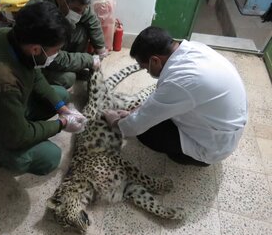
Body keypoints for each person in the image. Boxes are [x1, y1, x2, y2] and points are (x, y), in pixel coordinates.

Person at [0, 2, 87, 175]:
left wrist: (62, 109)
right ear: (35, 49)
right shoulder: (1, 82)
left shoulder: (8, 36)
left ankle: (18, 119)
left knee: (60, 96)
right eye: (56, 51)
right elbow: (19, 138)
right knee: (50, 157)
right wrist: (62, 123)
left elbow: (35, 75)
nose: (56, 55)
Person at [103, 26, 248, 166]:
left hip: (212, 148)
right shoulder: (194, 48)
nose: (147, 72)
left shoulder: (179, 82)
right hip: (223, 131)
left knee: (146, 133)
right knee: (154, 113)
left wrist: (115, 122)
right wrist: (131, 113)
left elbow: (134, 127)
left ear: (155, 60)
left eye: (145, 67)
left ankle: (192, 158)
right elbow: (160, 101)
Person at [26, 0, 107, 89]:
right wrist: (88, 60)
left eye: (82, 10)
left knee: (82, 32)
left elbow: (91, 19)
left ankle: (75, 65)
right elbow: (53, 57)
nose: (80, 14)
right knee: (68, 78)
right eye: (76, 9)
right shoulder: (41, 12)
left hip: (52, 47)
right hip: (39, 60)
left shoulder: (76, 2)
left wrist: (101, 49)